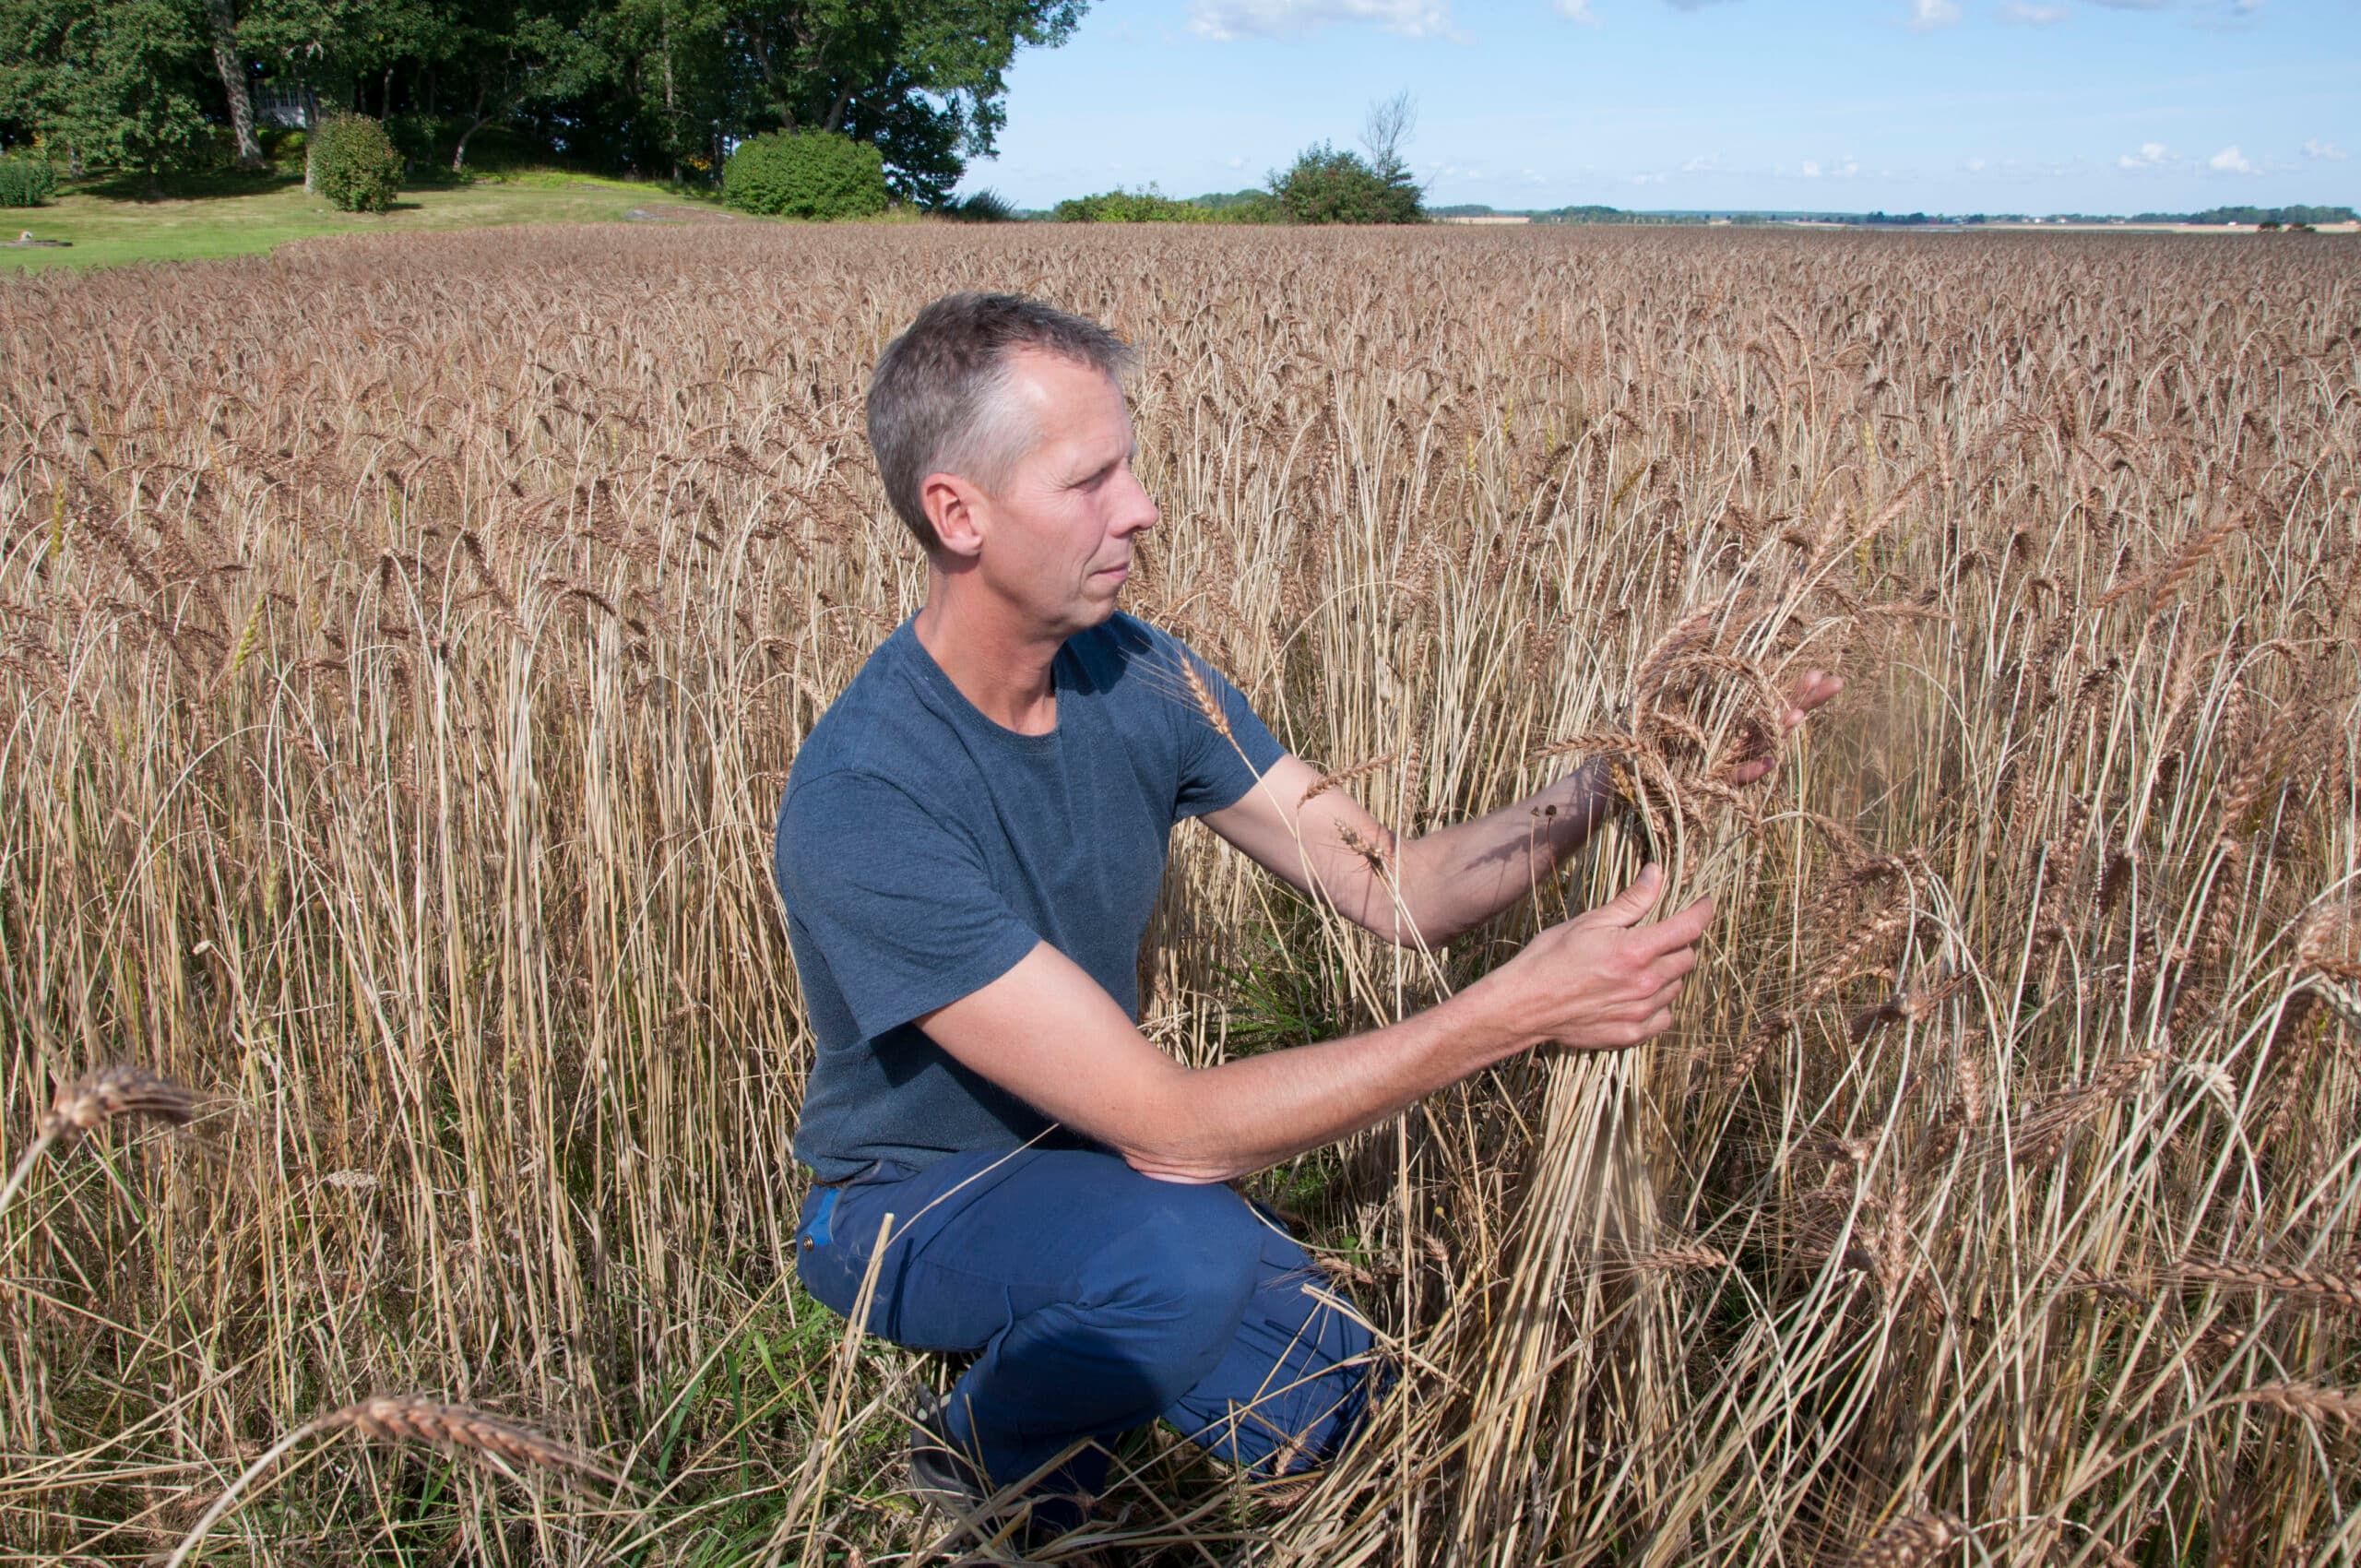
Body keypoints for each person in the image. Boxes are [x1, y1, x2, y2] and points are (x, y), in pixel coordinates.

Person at [772, 292, 1838, 1546]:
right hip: (906, 1201)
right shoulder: (868, 796)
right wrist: (1520, 1011)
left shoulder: (1141, 675)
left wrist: (1622, 780)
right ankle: (979, 1466)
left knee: (1352, 1410)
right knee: (1183, 1264)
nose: (1143, 508)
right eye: (1091, 480)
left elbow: (1402, 891)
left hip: (1092, 1167)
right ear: (959, 512)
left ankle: (1088, 1341)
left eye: (1134, 467)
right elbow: (1174, 1133)